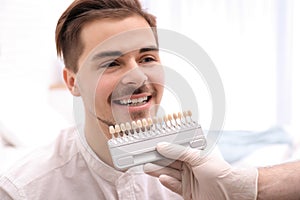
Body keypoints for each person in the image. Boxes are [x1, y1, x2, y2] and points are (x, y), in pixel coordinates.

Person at [0, 0, 298, 200]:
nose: (138, 78)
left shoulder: (201, 160)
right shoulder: (23, 190)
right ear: (73, 82)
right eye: (111, 63)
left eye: (147, 57)